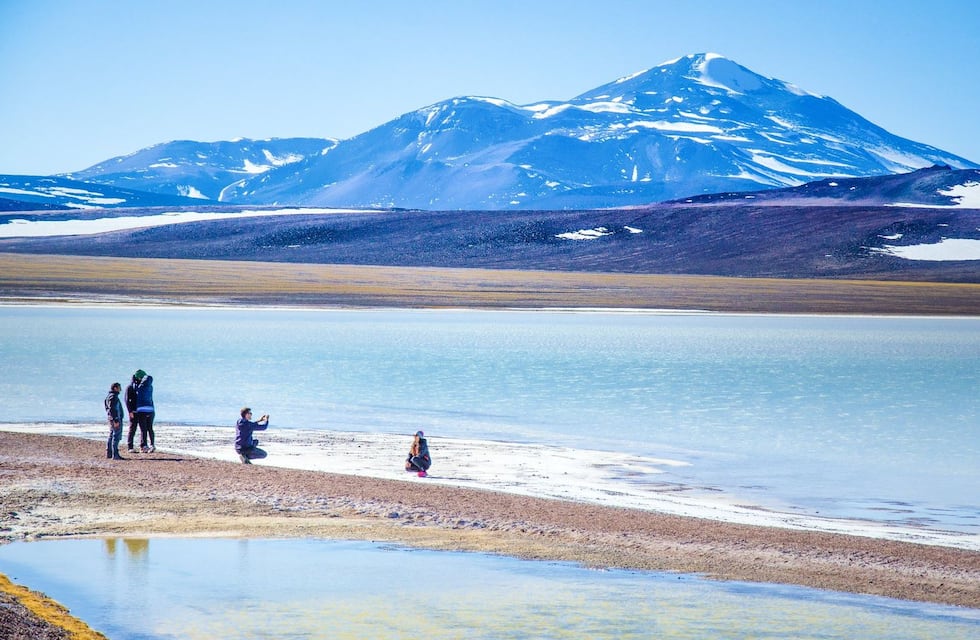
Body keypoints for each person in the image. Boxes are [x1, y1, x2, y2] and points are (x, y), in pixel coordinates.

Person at [127, 369, 156, 453]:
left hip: (141, 410)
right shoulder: (150, 386)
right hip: (150, 409)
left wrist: (133, 380)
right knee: (149, 428)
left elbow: (129, 398)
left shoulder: (138, 387)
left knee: (141, 429)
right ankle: (151, 445)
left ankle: (142, 446)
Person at [104, 382, 125, 460]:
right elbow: (112, 409)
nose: (120, 389)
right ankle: (115, 454)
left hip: (111, 418)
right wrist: (116, 419)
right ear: (115, 388)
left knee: (112, 435)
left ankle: (109, 453)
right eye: (119, 387)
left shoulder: (109, 396)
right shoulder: (113, 397)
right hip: (114, 419)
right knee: (116, 436)